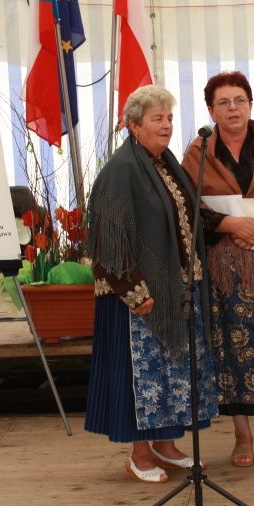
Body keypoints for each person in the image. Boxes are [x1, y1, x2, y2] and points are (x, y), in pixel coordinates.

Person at [84, 84, 218, 484]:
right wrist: (134, 291)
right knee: (143, 378)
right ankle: (139, 454)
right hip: (137, 297)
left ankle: (165, 444)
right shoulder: (122, 169)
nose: (167, 125)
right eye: (157, 119)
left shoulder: (165, 164)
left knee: (173, 374)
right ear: (134, 125)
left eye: (170, 118)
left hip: (175, 291)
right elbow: (107, 238)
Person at [181, 71, 254, 467]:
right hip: (225, 267)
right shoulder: (197, 153)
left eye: (239, 100)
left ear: (250, 105)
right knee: (232, 346)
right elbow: (187, 206)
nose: (233, 108)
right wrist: (230, 224)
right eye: (224, 102)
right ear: (211, 110)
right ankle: (242, 435)